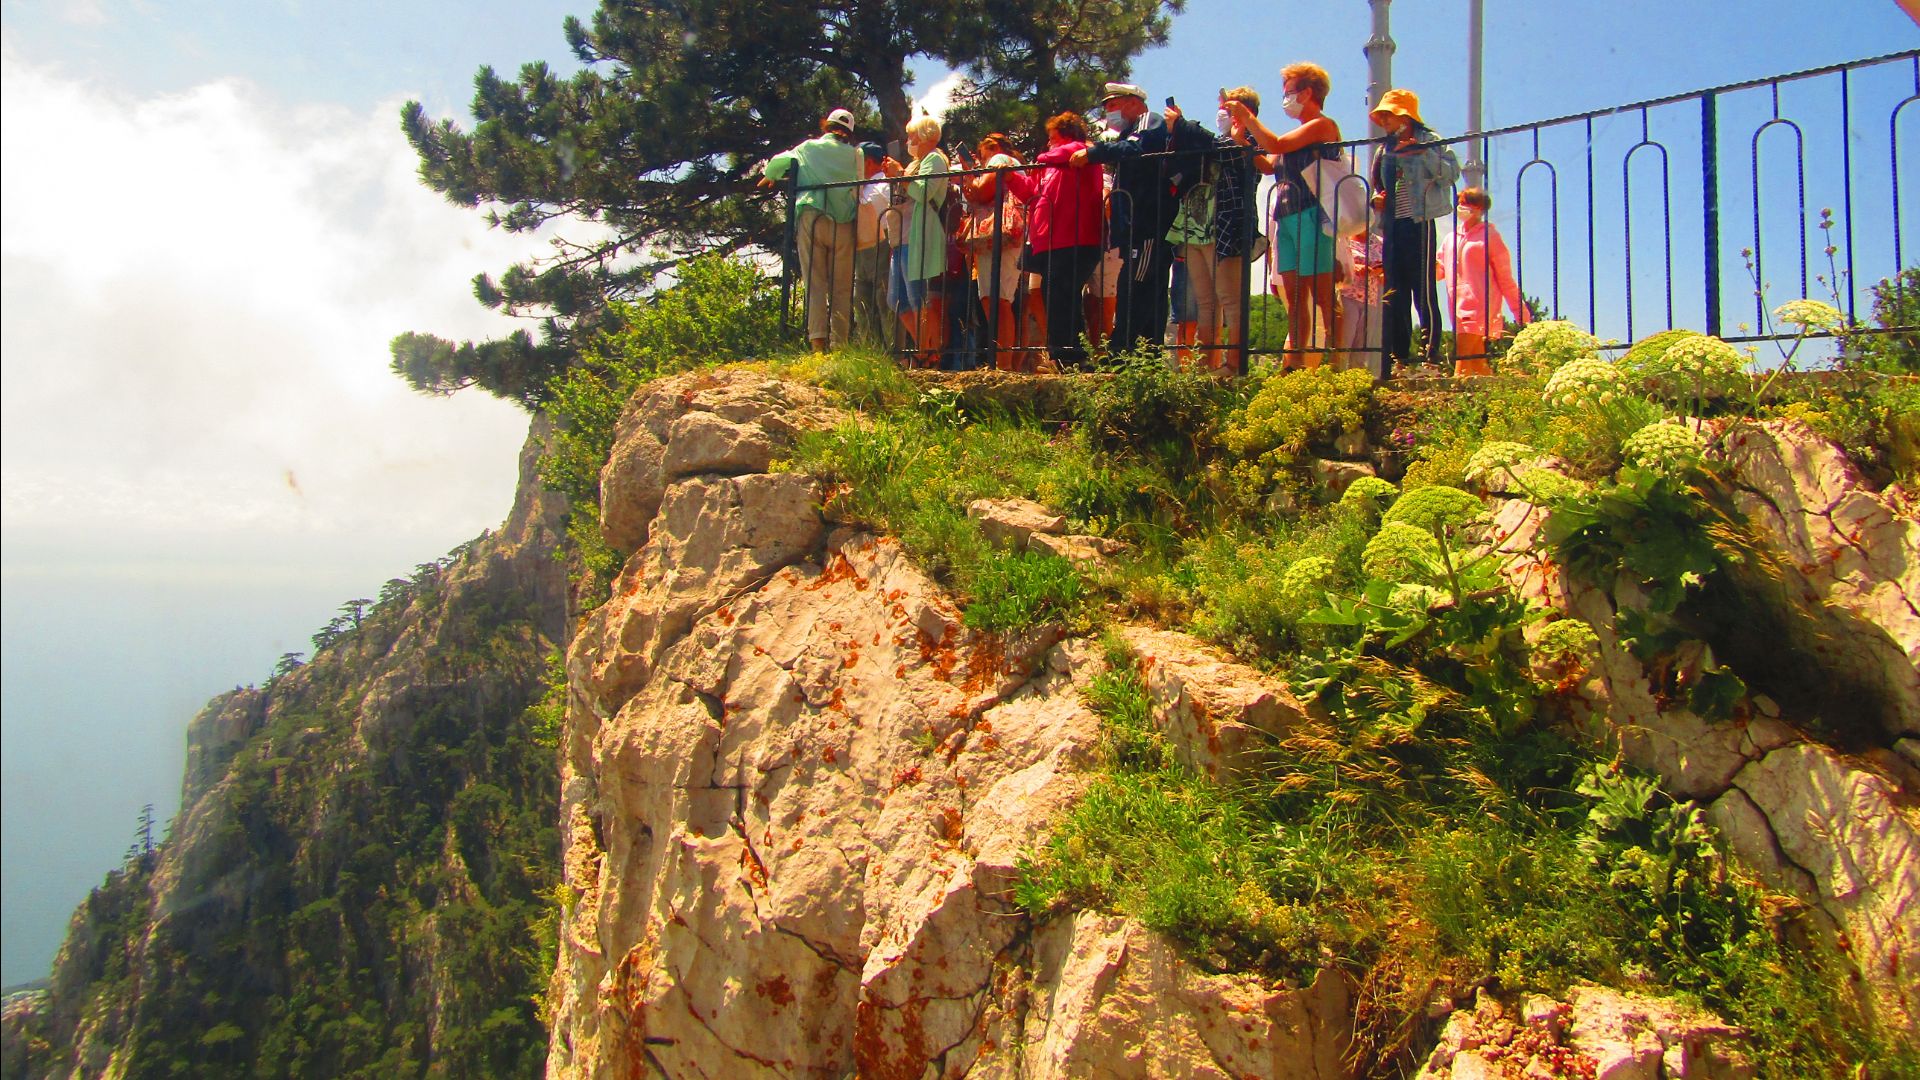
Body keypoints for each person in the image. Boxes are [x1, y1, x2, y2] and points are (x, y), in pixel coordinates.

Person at [1072, 82, 1214, 355]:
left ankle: (1122, 352)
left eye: (1113, 105)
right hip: (1137, 223)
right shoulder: (1129, 131)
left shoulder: (1148, 122)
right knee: (1148, 288)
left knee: (1135, 286)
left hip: (1147, 220)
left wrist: (1094, 153)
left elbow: (1136, 149)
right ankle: (1147, 354)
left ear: (1134, 103)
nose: (1109, 112)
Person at [1226, 64, 1342, 369]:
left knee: (1321, 291)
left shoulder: (1322, 126)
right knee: (1294, 295)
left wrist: (1250, 119)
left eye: (1289, 92)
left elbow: (1275, 145)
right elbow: (1269, 165)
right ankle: (1296, 361)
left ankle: (1338, 359)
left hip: (1313, 214)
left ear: (1307, 92)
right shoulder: (1295, 133)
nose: (1286, 99)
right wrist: (1242, 141)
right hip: (1287, 217)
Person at [1368, 88, 1459, 376]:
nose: (1383, 121)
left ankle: (1430, 354)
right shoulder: (1385, 149)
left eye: (1388, 115)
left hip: (1420, 221)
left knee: (1423, 289)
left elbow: (1450, 173)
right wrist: (1377, 198)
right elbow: (1377, 183)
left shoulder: (1430, 141)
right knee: (1395, 292)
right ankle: (1399, 357)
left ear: (1403, 115)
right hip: (1393, 225)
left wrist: (1423, 154)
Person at [1002, 112, 1104, 370]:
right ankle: (1063, 355)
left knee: (1064, 296)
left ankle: (1072, 355)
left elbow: (1069, 151)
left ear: (1066, 136)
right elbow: (1031, 194)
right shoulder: (1052, 165)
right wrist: (1012, 177)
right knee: (1055, 297)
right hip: (1052, 240)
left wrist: (1043, 157)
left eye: (1052, 139)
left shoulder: (1081, 152)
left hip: (1076, 237)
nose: (1048, 144)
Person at [762, 108, 862, 352]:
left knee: (815, 282)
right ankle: (841, 345)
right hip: (844, 223)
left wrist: (770, 175)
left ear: (825, 126)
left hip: (813, 216)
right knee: (842, 286)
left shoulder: (808, 148)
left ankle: (818, 343)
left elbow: (777, 163)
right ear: (849, 132)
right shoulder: (855, 154)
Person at [1186, 86, 1263, 375]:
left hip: (1230, 224)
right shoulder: (1219, 140)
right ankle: (1206, 365)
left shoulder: (1251, 140)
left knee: (1231, 299)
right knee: (1205, 300)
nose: (1222, 112)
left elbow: (1232, 156)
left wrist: (1189, 129)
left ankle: (1234, 364)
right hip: (1201, 226)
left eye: (1227, 107)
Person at [1436, 187, 1530, 377]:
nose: (1463, 207)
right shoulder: (1449, 239)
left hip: (1480, 305)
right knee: (1478, 364)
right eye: (1461, 202)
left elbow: (1505, 278)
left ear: (1481, 209)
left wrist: (1520, 312)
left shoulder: (1490, 236)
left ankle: (1456, 395)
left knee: (1462, 366)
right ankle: (1497, 398)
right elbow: (1439, 271)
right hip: (1457, 305)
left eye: (1469, 204)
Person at [882, 115, 950, 366]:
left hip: (918, 234)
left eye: (912, 135)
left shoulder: (934, 159)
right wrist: (897, 174)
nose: (909, 140)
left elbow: (924, 192)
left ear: (925, 136)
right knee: (896, 299)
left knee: (916, 296)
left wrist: (900, 174)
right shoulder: (915, 163)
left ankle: (927, 352)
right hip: (902, 237)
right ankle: (926, 348)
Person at [959, 134, 1028, 371]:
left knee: (997, 298)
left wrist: (969, 174)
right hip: (1002, 237)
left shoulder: (1001, 159)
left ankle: (1004, 363)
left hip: (1001, 235)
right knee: (995, 297)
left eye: (981, 153)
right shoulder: (1015, 162)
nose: (980, 159)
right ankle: (1003, 360)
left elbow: (981, 192)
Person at [852, 142, 893, 346]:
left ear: (867, 162)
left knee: (882, 296)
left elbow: (869, 207)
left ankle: (891, 349)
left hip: (880, 242)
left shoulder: (882, 185)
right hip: (865, 244)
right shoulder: (866, 186)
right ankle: (871, 348)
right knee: (862, 298)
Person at [1338, 222, 1385, 375]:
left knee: (1362, 343)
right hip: (1347, 294)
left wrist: (1380, 271)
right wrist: (1354, 268)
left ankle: (1356, 380)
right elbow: (1336, 264)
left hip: (1370, 298)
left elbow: (1387, 272)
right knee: (1345, 340)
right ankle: (1338, 376)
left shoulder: (1379, 242)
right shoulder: (1343, 239)